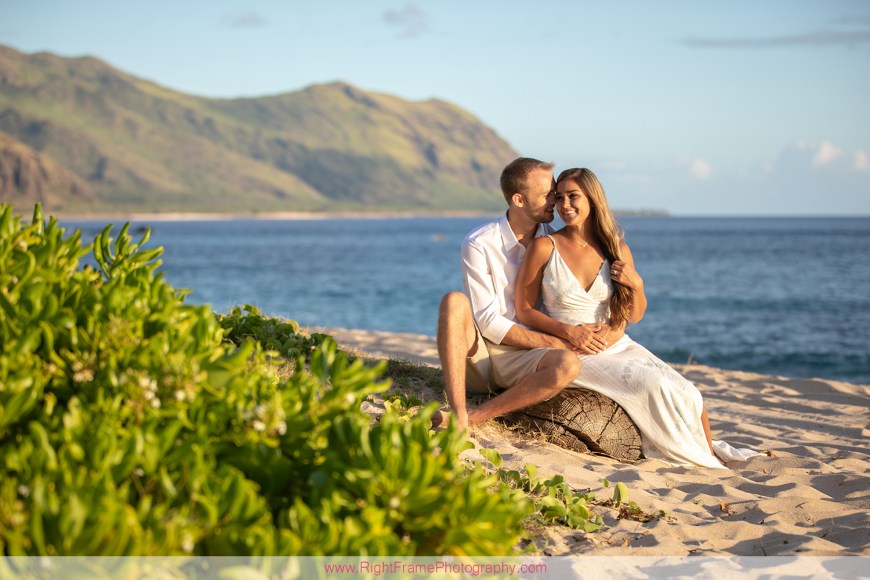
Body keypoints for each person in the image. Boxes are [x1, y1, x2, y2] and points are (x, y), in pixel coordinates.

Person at [515, 167, 756, 468]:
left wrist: (636, 285)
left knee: (690, 392)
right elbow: (525, 310)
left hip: (617, 344)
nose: (565, 205)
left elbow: (635, 315)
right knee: (653, 385)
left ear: (592, 199)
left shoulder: (616, 249)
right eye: (559, 197)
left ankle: (708, 456)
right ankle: (698, 460)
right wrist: (568, 332)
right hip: (574, 350)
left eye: (573, 196)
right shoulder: (544, 246)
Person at [434, 158, 620, 430]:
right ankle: (459, 410)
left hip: (532, 359)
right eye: (548, 195)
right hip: (484, 356)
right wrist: (556, 341)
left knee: (567, 365)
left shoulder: (556, 242)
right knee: (453, 302)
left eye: (555, 194)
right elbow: (487, 321)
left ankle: (471, 420)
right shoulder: (480, 243)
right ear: (519, 200)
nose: (556, 202)